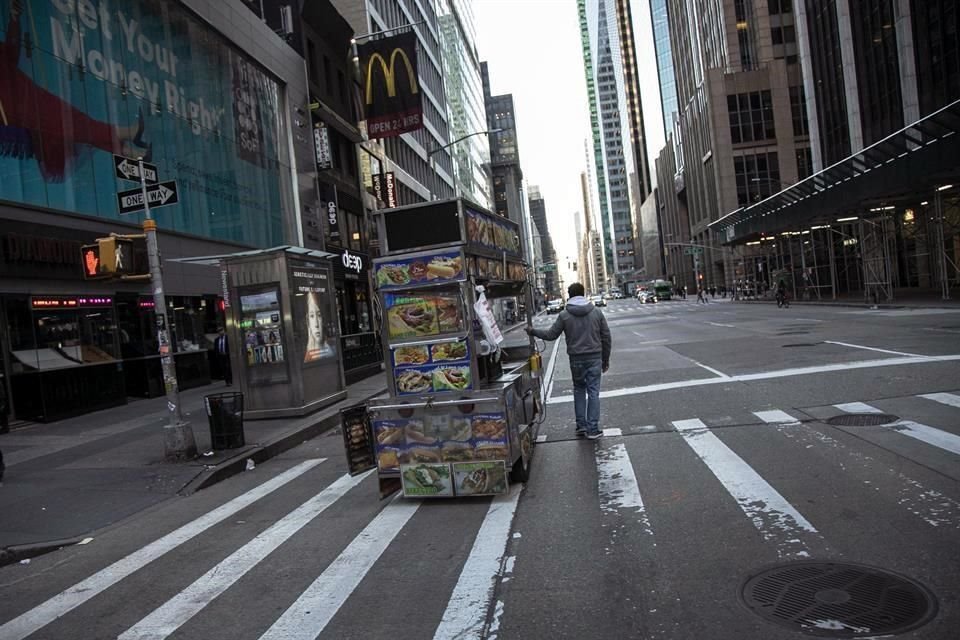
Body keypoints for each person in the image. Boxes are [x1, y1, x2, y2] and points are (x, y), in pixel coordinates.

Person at [1, 0, 150, 181]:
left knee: (71, 123)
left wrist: (14, 20)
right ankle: (124, 137)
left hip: (25, 95)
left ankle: (128, 150)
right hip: (16, 108)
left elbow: (9, 56)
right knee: (68, 124)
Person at [526, 282, 611, 440]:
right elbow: (606, 337)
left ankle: (581, 425)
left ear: (570, 295)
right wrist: (605, 359)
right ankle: (593, 429)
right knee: (593, 392)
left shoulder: (565, 315)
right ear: (583, 293)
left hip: (576, 359)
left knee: (579, 389)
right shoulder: (596, 313)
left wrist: (533, 332)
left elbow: (551, 335)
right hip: (594, 358)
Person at [304, 291, 333, 362]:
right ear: (307, 321)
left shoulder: (330, 346)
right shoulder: (309, 356)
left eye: (319, 315)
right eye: (312, 316)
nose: (316, 324)